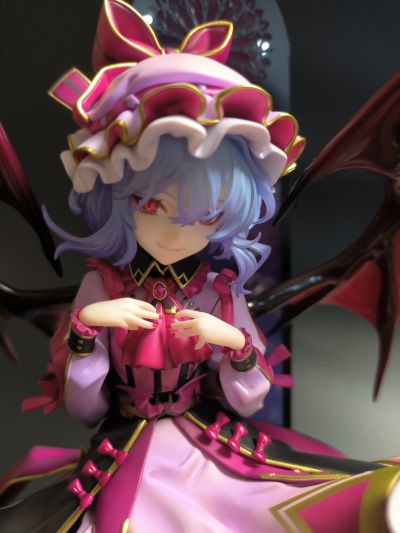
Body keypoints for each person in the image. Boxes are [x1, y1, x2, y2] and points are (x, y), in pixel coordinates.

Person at [0, 1, 399, 532]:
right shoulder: (103, 285)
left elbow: (248, 400)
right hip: (128, 446)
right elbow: (86, 409)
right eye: (151, 205)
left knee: (299, 504)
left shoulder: (219, 291)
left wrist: (233, 343)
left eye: (206, 216)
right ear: (118, 197)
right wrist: (86, 330)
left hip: (208, 438)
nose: (175, 233)